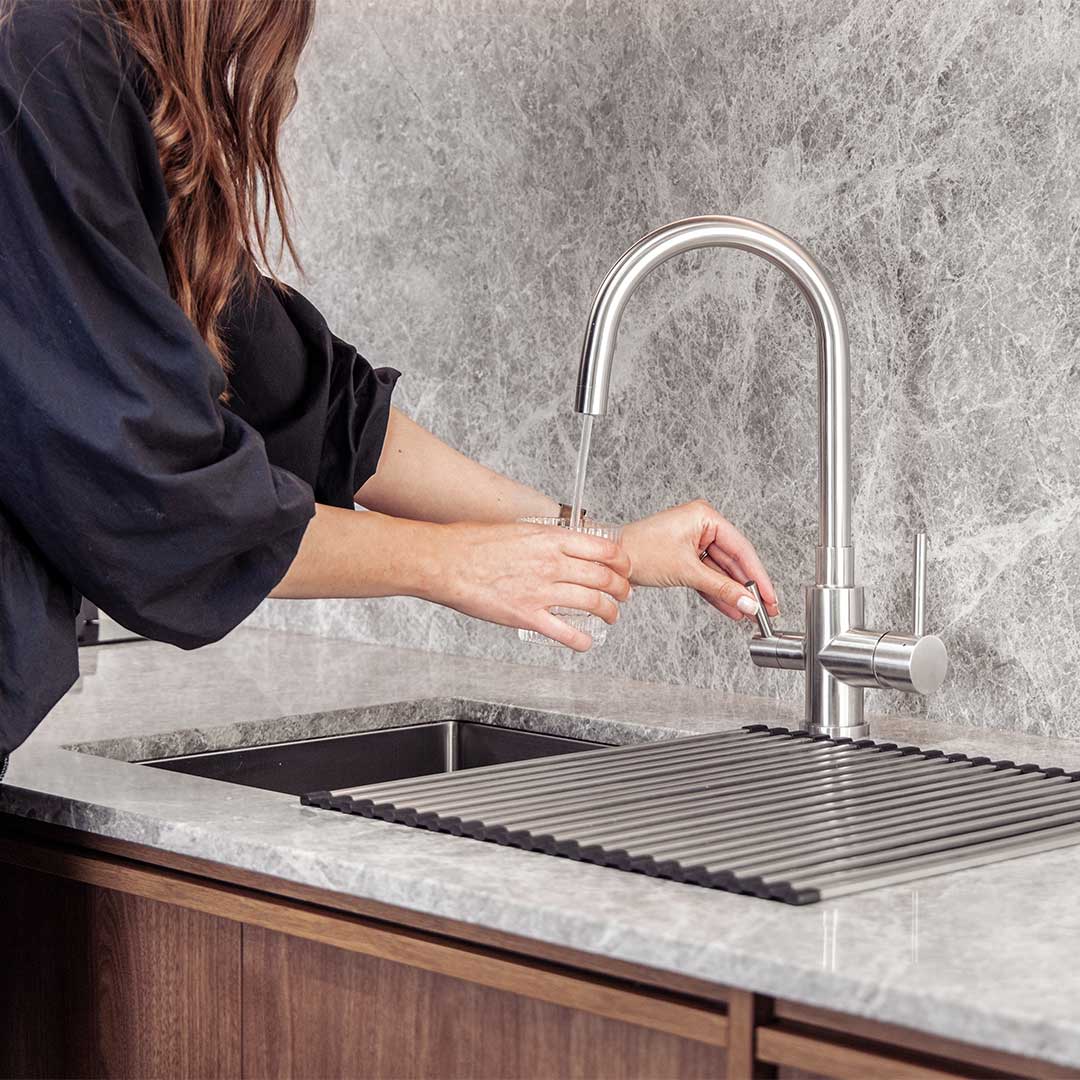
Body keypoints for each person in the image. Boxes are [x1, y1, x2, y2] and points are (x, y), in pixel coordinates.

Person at [0, 0, 779, 766]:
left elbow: (316, 403)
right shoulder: (45, 54)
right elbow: (163, 506)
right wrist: (457, 564)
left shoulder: (115, 85)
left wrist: (594, 544)